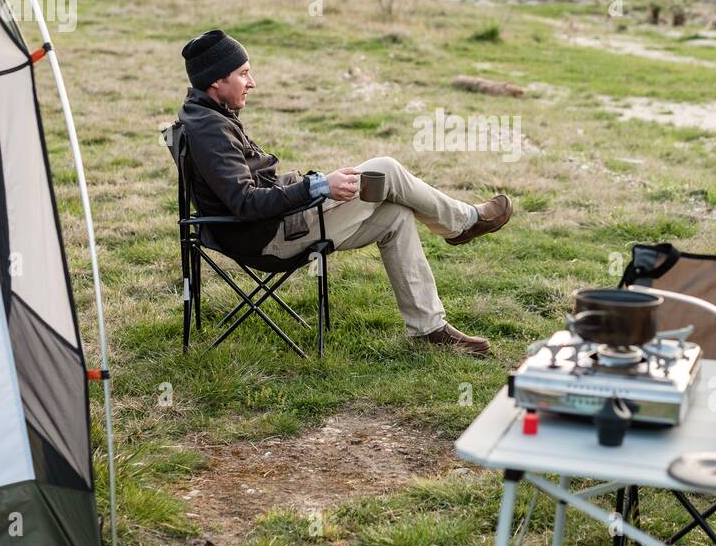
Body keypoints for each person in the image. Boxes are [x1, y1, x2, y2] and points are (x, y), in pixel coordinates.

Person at [177, 29, 513, 357]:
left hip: (270, 226)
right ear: (216, 80)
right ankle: (464, 222)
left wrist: (310, 184)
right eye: (243, 74)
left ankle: (428, 328)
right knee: (385, 169)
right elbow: (245, 203)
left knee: (395, 216)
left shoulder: (206, 115)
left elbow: (251, 188)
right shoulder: (211, 129)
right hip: (268, 237)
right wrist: (319, 186)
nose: (252, 83)